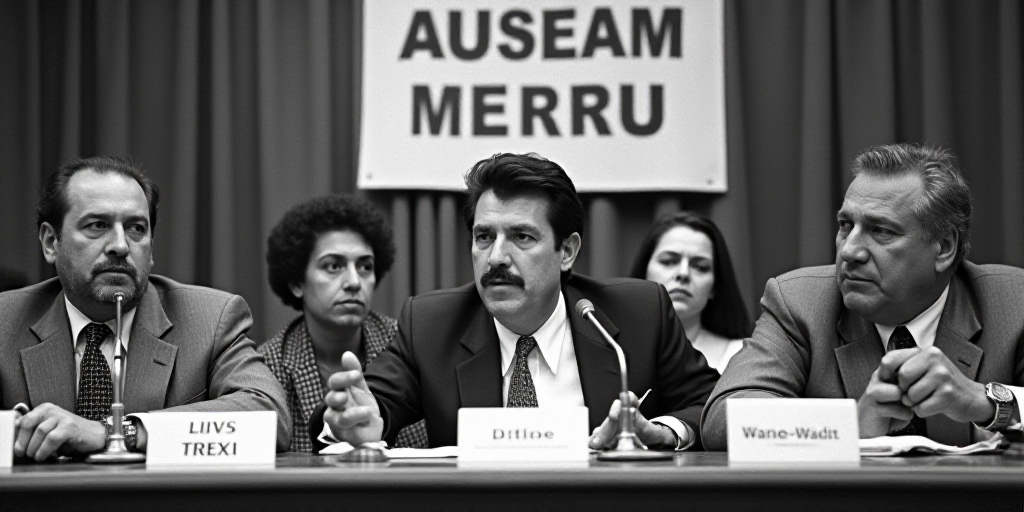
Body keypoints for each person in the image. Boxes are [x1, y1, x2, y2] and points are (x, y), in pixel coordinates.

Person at [310, 153, 720, 451]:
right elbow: (373, 405)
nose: (496, 258)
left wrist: (662, 433)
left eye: (522, 237)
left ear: (567, 252)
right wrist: (354, 422)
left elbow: (713, 405)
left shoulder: (638, 314)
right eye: (484, 236)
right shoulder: (431, 324)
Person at [701, 143, 1024, 450]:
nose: (851, 250)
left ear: (944, 247)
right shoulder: (800, 301)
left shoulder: (1013, 301)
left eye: (881, 230)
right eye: (845, 225)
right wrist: (851, 426)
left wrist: (988, 403)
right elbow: (723, 418)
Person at [0, 155, 290, 461]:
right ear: (50, 242)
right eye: (97, 225)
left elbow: (268, 414)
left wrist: (118, 431)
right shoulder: (6, 321)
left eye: (136, 228)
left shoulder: (211, 318)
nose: (121, 246)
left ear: (150, 249)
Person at [261, 195, 428, 453]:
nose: (353, 281)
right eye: (333, 266)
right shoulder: (267, 366)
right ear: (296, 282)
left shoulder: (408, 344)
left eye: (365, 266)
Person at [630, 212, 752, 372]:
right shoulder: (610, 348)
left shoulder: (742, 356)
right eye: (668, 261)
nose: (683, 273)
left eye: (700, 267)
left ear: (714, 287)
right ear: (644, 272)